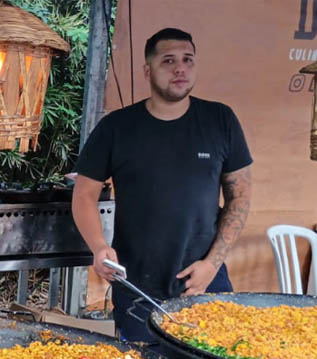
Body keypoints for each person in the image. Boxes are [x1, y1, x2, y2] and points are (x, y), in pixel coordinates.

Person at [71, 27, 253, 342]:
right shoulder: (116, 128)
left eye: (187, 59)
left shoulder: (220, 120)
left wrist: (212, 264)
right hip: (137, 286)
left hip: (205, 279)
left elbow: (240, 198)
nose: (180, 68)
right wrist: (99, 248)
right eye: (168, 60)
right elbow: (84, 195)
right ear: (148, 70)